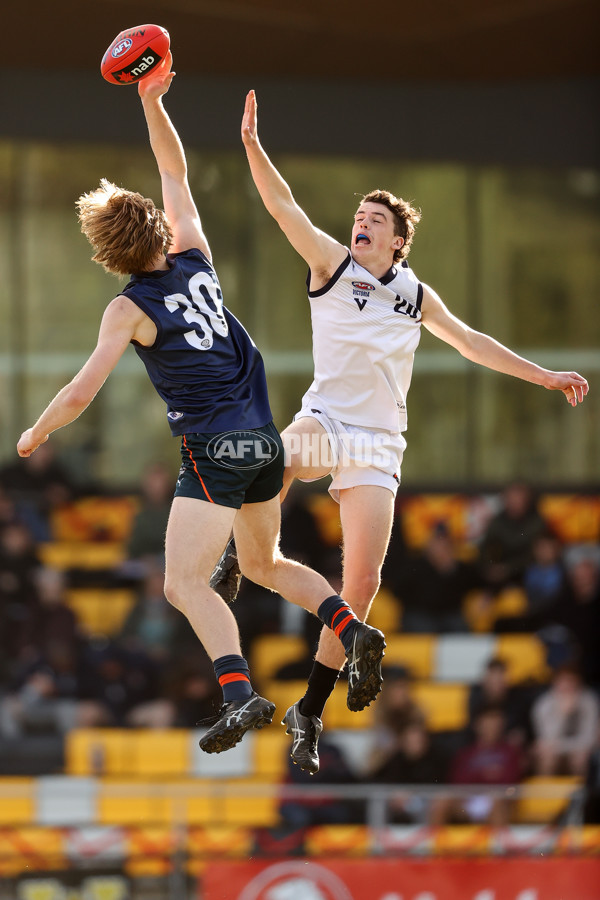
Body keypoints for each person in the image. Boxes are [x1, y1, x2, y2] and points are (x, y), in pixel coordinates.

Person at [15, 59, 386, 754]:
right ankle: (349, 625)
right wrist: (153, 103)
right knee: (267, 565)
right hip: (265, 445)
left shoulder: (128, 309)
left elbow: (81, 392)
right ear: (155, 229)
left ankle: (240, 694)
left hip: (215, 450)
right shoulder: (194, 254)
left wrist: (35, 431)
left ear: (108, 254)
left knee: (184, 582)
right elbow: (174, 175)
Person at [214, 88, 589, 772]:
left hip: (379, 443)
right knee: (269, 459)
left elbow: (473, 342)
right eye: (359, 214)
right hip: (327, 418)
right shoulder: (332, 266)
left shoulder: (415, 294)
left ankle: (309, 710)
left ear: (397, 239)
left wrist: (544, 376)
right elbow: (281, 206)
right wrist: (251, 147)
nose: (361, 221)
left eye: (374, 217)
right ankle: (240, 553)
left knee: (361, 584)